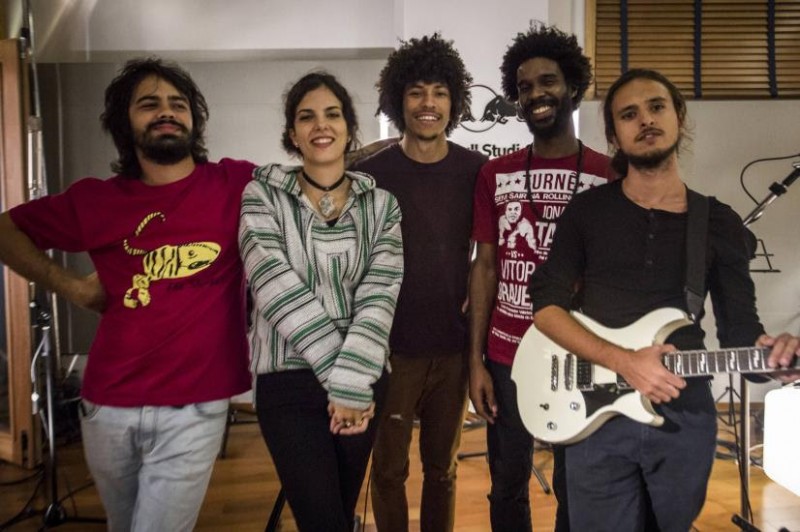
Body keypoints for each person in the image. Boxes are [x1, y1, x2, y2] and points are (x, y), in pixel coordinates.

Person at [530, 68, 800, 531]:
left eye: (656, 107)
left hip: (683, 419)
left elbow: (740, 329)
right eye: (629, 114)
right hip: (595, 414)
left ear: (679, 116)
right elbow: (546, 307)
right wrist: (623, 360)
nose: (646, 120)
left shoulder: (718, 223)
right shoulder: (587, 212)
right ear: (615, 134)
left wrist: (772, 357)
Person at [0, 58, 253, 531]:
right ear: (125, 120)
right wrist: (72, 287)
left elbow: (317, 178)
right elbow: (6, 230)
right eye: (149, 104)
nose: (166, 112)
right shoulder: (95, 199)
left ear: (193, 120)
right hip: (107, 408)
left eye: (178, 104)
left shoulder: (235, 183)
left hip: (194, 408)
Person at [239, 71, 404, 532]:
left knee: (339, 511)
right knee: (322, 520)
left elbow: (380, 291)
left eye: (332, 114)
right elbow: (273, 286)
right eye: (306, 117)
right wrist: (345, 383)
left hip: (365, 377)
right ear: (292, 133)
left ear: (350, 128)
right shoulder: (262, 195)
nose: (320, 126)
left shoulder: (382, 205)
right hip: (288, 385)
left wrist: (354, 383)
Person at [468, 22, 615, 532]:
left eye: (548, 81)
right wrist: (475, 362)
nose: (537, 94)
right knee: (507, 483)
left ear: (572, 86)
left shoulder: (606, 173)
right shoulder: (496, 174)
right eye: (525, 86)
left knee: (579, 485)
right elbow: (484, 268)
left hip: (582, 354)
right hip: (506, 356)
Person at [351, 33, 488, 532]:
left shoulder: (477, 171)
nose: (428, 103)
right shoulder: (371, 174)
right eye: (416, 91)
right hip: (390, 350)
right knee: (387, 471)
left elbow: (485, 261)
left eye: (439, 92)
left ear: (453, 101)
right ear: (397, 100)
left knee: (442, 470)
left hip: (451, 351)